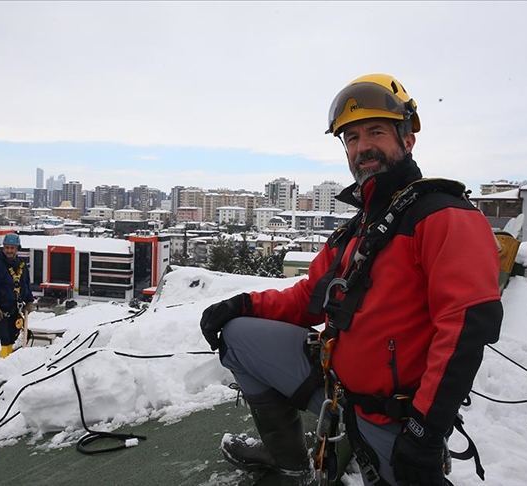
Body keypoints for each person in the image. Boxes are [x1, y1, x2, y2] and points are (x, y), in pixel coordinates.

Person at [200, 74, 503, 486]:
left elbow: (465, 328)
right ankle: (288, 462)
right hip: (337, 389)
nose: (362, 147)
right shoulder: (358, 230)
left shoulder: (442, 216)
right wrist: (244, 305)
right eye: (352, 138)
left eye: (375, 132)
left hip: (394, 414)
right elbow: (309, 298)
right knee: (238, 336)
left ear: (407, 139)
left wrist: (425, 432)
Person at [0, 233, 35, 358]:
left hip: (15, 311)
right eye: (6, 248)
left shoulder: (21, 265)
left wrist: (29, 301)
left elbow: (25, 284)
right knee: (3, 341)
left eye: (12, 248)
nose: (9, 251)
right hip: (1, 312)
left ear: (17, 249)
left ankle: (11, 364)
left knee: (14, 340)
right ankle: (2, 365)